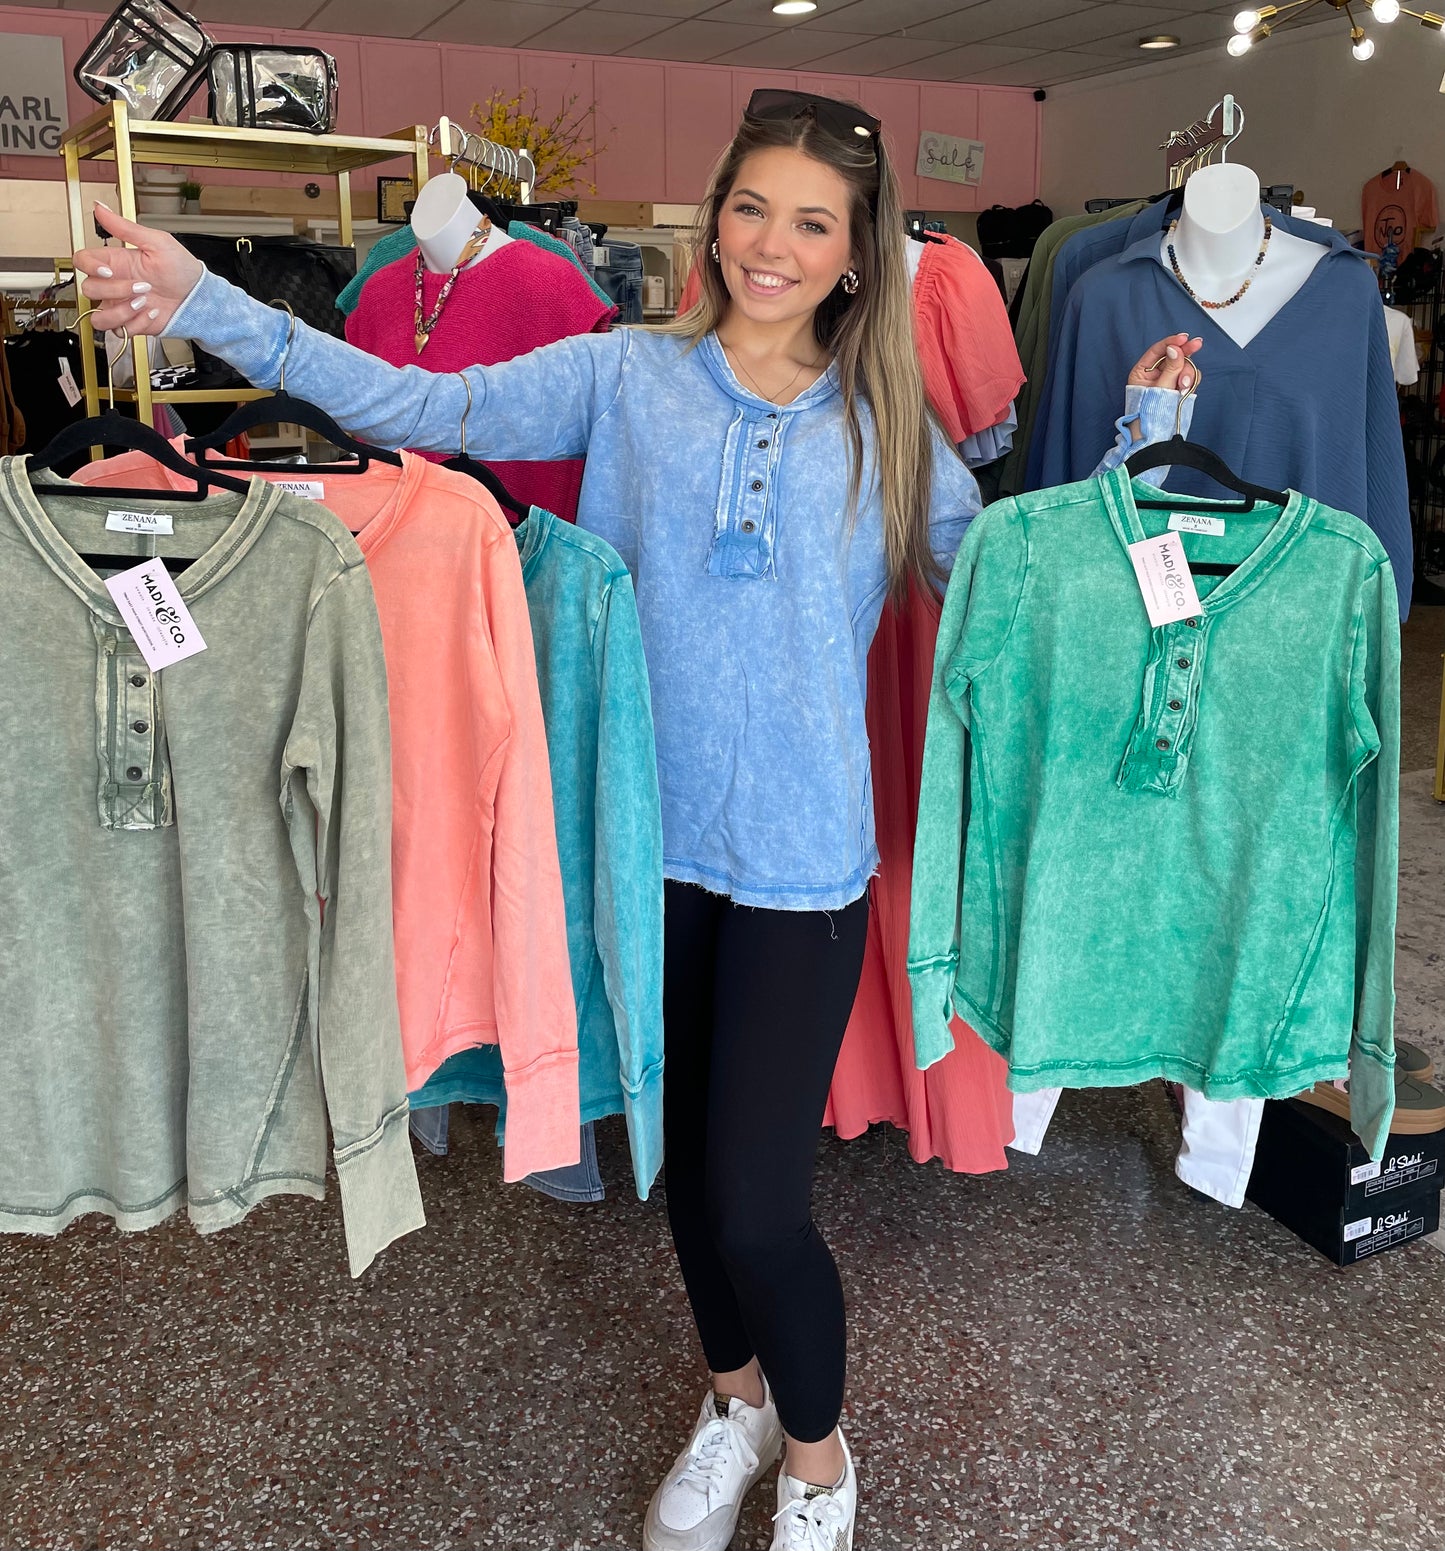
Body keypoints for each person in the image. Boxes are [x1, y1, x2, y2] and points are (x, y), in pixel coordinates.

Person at [74, 91, 1198, 1551]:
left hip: (800, 868)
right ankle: (735, 1404)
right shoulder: (621, 376)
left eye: (812, 224)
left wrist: (1140, 448)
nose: (772, 245)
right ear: (713, 220)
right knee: (682, 1176)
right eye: (751, 209)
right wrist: (206, 305)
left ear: (857, 255)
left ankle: (818, 1463)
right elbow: (419, 408)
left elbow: (1010, 583)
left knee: (758, 1206)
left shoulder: (890, 427)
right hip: (636, 847)